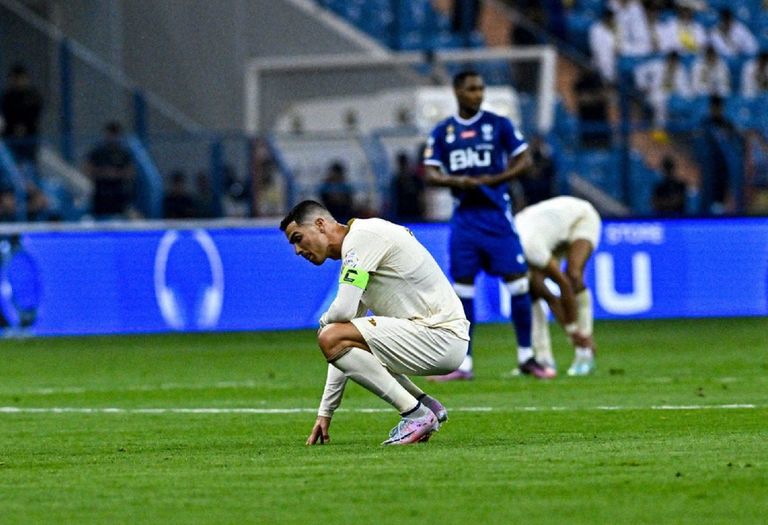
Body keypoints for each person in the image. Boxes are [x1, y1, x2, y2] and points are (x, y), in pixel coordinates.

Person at [280, 200, 469, 445]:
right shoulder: (360, 249)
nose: (297, 250)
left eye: (298, 238)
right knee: (338, 338)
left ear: (320, 224)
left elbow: (341, 315)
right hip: (439, 337)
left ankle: (416, 414)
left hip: (439, 335)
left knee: (331, 334)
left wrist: (323, 322)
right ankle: (424, 404)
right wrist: (325, 412)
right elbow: (343, 349)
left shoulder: (362, 238)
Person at [422, 70, 553, 381]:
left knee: (519, 284)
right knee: (463, 290)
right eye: (471, 89)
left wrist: (495, 179)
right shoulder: (443, 131)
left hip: (497, 218)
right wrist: (458, 182)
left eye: (481, 89)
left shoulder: (499, 125)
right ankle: (463, 363)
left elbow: (525, 161)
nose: (478, 94)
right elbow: (429, 173)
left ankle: (527, 357)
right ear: (457, 92)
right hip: (465, 221)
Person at [513, 196, 602, 376]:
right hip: (550, 232)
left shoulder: (529, 246)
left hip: (581, 217)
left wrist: (573, 330)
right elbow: (549, 297)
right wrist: (571, 330)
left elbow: (564, 284)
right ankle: (543, 358)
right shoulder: (509, 252)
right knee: (531, 291)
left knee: (573, 276)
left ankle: (585, 353)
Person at [84, 121, 137, 219]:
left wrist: (116, 174)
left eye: (114, 134)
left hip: (118, 191)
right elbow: (88, 169)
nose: (112, 137)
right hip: (101, 191)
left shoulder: (123, 153)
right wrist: (103, 173)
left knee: (120, 217)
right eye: (110, 134)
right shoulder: (98, 152)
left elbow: (130, 172)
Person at [1, 64, 43, 166]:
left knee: (29, 164)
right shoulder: (7, 97)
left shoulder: (33, 96)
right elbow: (6, 114)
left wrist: (24, 126)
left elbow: (34, 113)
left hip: (29, 136)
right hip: (10, 136)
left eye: (20, 78)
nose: (17, 82)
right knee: (10, 162)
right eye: (14, 79)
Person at [389, 150, 425, 222]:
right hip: (401, 215)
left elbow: (422, 196)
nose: (404, 167)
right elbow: (393, 199)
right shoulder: (397, 181)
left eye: (405, 164)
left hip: (416, 214)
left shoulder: (416, 180)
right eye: (402, 165)